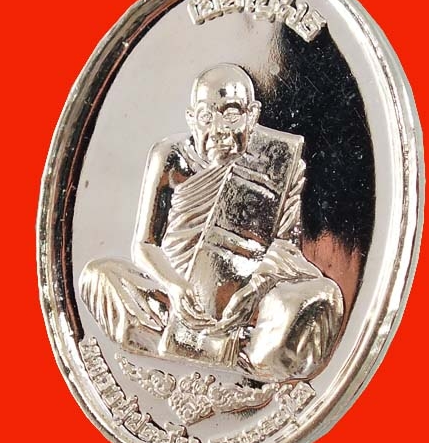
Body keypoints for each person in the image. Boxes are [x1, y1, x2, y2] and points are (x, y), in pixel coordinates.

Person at [80, 63, 344, 381]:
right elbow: (145, 245)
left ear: (252, 115)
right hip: (175, 299)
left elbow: (286, 246)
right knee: (98, 276)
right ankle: (197, 346)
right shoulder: (171, 157)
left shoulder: (280, 160)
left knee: (322, 296)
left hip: (248, 303)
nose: (218, 129)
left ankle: (236, 349)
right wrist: (175, 288)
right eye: (206, 117)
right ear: (192, 118)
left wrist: (254, 290)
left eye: (230, 114)